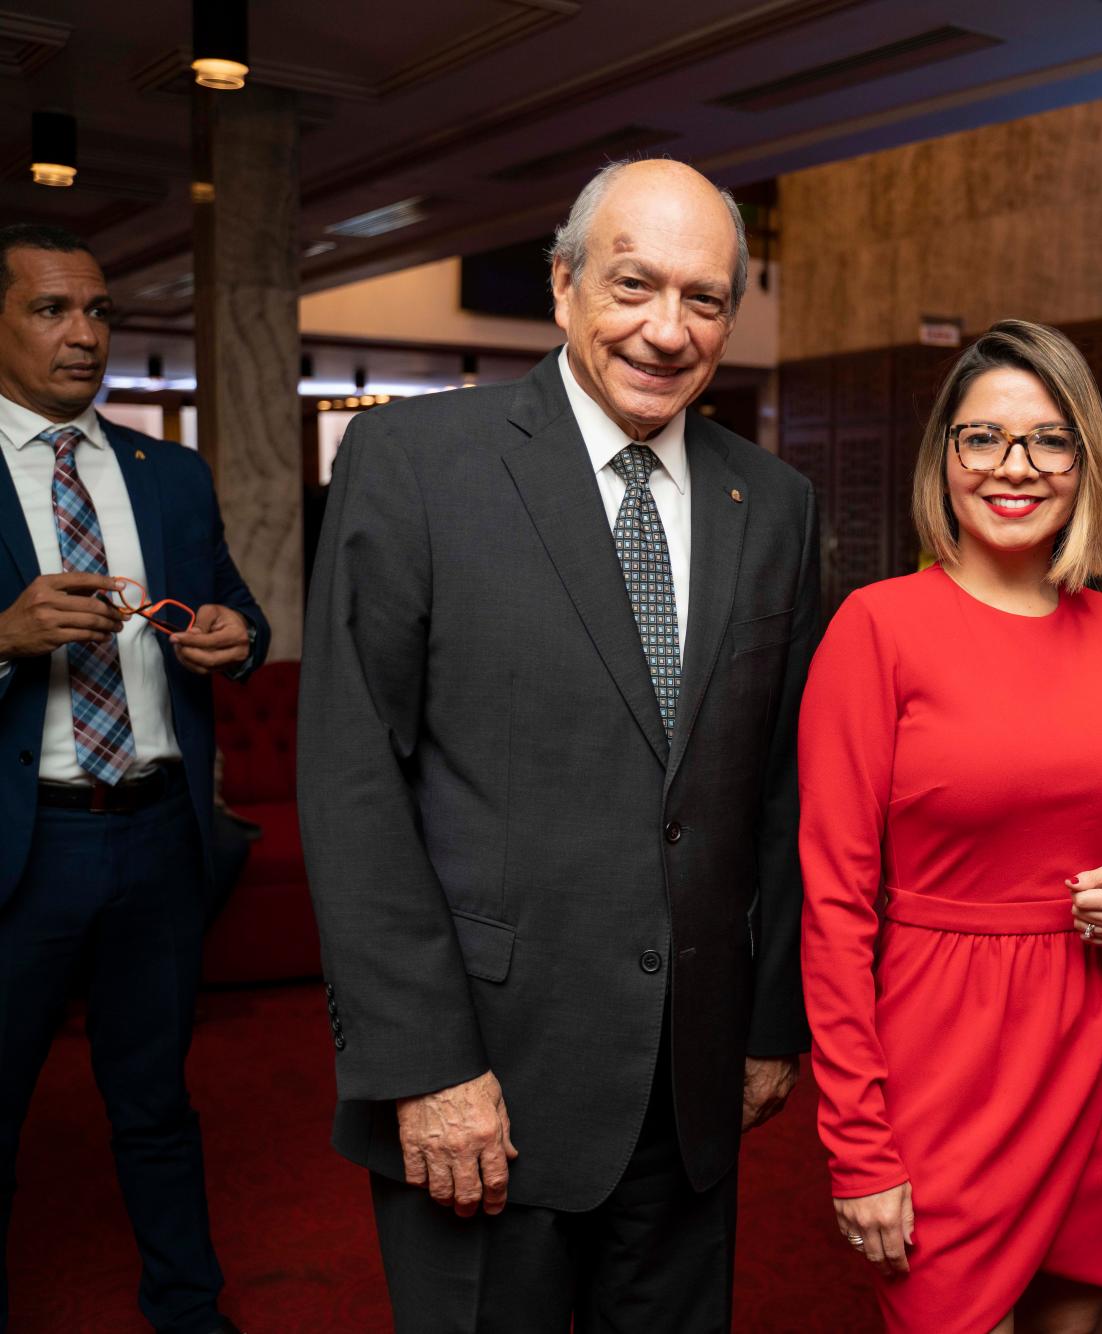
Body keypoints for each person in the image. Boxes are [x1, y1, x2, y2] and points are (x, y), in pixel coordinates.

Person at [299, 159, 819, 1328]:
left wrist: (767, 1019)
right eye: (633, 285)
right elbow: (350, 779)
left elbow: (779, 784)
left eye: (703, 299)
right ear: (562, 284)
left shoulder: (773, 502)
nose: (665, 330)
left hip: (690, 1087)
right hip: (485, 1079)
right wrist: (424, 1064)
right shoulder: (416, 467)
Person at [800, 319, 1102, 1334]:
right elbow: (832, 907)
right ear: (944, 457)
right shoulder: (873, 628)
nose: (1015, 467)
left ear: (1084, 460)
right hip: (942, 1053)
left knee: (1073, 1314)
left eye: (1048, 439)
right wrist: (859, 1143)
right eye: (982, 437)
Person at [0, 223, 267, 1334]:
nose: (84, 334)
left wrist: (230, 637)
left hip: (159, 835)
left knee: (158, 1101)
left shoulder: (169, 470)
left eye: (99, 310)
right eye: (52, 309)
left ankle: (190, 1309)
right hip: (25, 845)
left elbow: (240, 611)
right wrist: (5, 634)